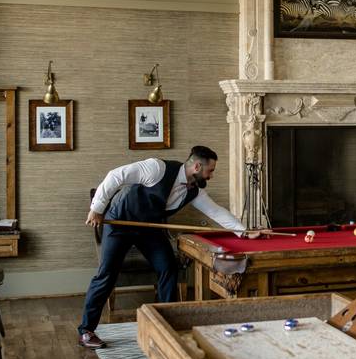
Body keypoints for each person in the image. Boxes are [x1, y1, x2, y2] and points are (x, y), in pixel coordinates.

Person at [78, 146, 255, 348]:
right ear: (197, 166)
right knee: (107, 274)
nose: (211, 176)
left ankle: (165, 324)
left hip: (148, 228)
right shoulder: (157, 168)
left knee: (168, 267)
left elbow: (216, 212)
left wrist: (244, 231)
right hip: (120, 222)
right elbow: (115, 176)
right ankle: (86, 331)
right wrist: (97, 208)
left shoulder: (195, 191)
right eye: (210, 171)